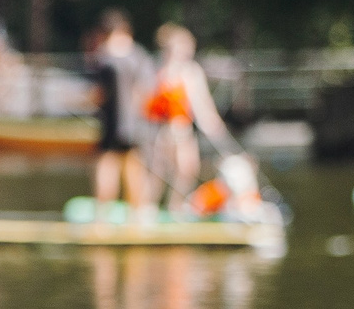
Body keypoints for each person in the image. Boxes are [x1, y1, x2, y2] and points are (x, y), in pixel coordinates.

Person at [142, 24, 242, 214]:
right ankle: (147, 208)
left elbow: (202, 102)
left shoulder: (192, 71)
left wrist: (213, 124)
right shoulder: (157, 69)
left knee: (188, 169)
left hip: (182, 128)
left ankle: (175, 207)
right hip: (160, 130)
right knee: (158, 171)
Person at [88, 11, 153, 216]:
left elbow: (98, 95)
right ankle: (137, 217)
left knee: (107, 168)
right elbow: (146, 92)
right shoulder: (138, 55)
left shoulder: (104, 57)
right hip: (135, 125)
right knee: (134, 171)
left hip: (111, 124)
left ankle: (101, 218)